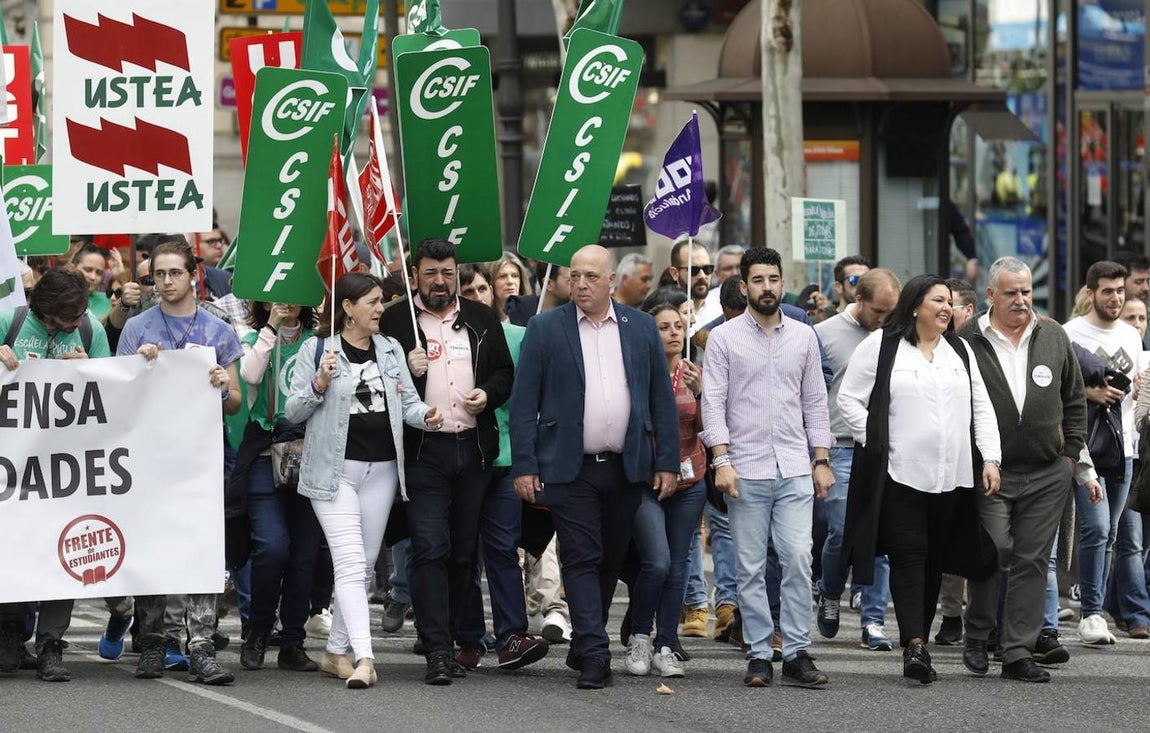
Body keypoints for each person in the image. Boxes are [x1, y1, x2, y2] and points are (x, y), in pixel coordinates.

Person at [510, 244, 679, 690]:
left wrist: (666, 462)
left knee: (610, 558)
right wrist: (525, 465)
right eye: (575, 276)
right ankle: (595, 653)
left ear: (610, 281)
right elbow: (524, 402)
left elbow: (660, 399)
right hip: (569, 467)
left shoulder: (640, 327)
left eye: (590, 276)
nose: (581, 284)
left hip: (625, 467)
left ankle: (587, 639)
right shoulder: (546, 329)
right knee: (581, 556)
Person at [839, 274, 1001, 684]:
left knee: (933, 561)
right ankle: (914, 645)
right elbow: (849, 400)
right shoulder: (882, 345)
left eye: (949, 302)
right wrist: (878, 442)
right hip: (900, 474)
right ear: (914, 306)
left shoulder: (960, 350)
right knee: (909, 554)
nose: (947, 308)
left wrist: (990, 459)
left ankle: (920, 639)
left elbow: (981, 407)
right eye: (937, 301)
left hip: (952, 477)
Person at [285, 272, 438, 689]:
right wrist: (319, 382)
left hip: (382, 471)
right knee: (351, 564)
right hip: (334, 473)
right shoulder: (317, 349)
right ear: (348, 308)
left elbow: (407, 404)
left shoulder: (390, 348)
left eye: (380, 301)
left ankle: (334, 653)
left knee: (364, 566)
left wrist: (426, 415)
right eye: (372, 302)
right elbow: (292, 411)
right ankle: (365, 659)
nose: (380, 308)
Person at [380, 239, 514, 685]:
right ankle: (436, 648)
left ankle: (456, 639)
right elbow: (373, 377)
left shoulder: (480, 317)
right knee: (429, 547)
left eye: (447, 273)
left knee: (463, 553)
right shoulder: (396, 321)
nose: (440, 281)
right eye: (431, 273)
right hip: (424, 451)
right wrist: (406, 368)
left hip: (472, 448)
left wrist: (487, 394)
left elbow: (504, 373)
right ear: (414, 276)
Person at [701, 247, 834, 689]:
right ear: (744, 286)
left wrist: (821, 459)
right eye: (758, 280)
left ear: (782, 282)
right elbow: (713, 403)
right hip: (744, 469)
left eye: (774, 279)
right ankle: (759, 652)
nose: (767, 287)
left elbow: (815, 401)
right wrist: (721, 461)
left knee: (798, 557)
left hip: (794, 465)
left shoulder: (803, 336)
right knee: (751, 566)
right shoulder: (723, 339)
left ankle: (795, 651)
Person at [117, 241, 244, 685]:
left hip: (200, 459)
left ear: (193, 275)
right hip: (149, 458)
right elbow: (119, 397)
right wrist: (139, 367)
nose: (166, 281)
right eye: (158, 274)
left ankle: (201, 646)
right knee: (151, 546)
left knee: (201, 548)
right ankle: (152, 642)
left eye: (174, 272)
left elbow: (235, 402)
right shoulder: (137, 328)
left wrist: (223, 386)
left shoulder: (217, 329)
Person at [958, 257, 1088, 683]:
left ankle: (1017, 652)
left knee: (1032, 560)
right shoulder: (967, 339)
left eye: (1027, 291)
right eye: (1011, 292)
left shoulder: (1053, 335)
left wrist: (1071, 455)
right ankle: (979, 635)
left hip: (1047, 471)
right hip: (990, 471)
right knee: (993, 550)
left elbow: (1074, 398)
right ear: (990, 295)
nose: (1021, 300)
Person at [0, 269, 112, 682]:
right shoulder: (9, 321)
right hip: (15, 468)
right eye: (68, 318)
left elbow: (118, 391)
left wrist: (91, 371)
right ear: (43, 312)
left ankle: (51, 644)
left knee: (66, 549)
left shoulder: (90, 329)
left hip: (69, 468)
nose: (77, 322)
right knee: (15, 547)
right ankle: (10, 635)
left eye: (80, 313)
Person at [455, 264, 551, 670]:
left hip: (507, 457)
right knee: (462, 551)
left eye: (482, 288)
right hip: (463, 457)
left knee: (503, 547)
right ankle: (468, 638)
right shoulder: (448, 340)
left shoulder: (519, 337)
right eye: (469, 291)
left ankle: (511, 635)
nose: (477, 296)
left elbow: (532, 400)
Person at [230, 301, 325, 674]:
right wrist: (271, 327)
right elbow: (250, 376)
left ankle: (292, 642)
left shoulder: (319, 342)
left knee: (305, 553)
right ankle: (257, 630)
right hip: (265, 451)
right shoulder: (254, 339)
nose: (286, 301)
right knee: (272, 546)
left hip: (310, 452)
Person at [813, 269, 901, 652]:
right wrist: (817, 453)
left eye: (891, 312)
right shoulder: (823, 334)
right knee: (841, 530)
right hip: (840, 445)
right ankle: (831, 591)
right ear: (858, 300)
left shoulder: (900, 336)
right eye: (879, 311)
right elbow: (813, 393)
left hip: (885, 446)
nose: (885, 319)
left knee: (881, 534)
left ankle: (873, 620)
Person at [1064, 261, 1150, 643]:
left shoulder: (1131, 335)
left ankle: (1102, 609)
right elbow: (1058, 388)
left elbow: (1132, 393)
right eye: (1107, 291)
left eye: (1119, 291)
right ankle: (1092, 613)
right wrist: (1088, 392)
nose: (1115, 298)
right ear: (1090, 293)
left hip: (1124, 448)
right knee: (1096, 528)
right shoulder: (1070, 333)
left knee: (1112, 534)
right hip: (1085, 447)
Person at [622, 302, 708, 679]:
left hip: (691, 480)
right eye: (663, 327)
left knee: (678, 565)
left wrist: (702, 394)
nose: (674, 332)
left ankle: (666, 645)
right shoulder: (636, 373)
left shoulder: (696, 373)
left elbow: (711, 428)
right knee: (656, 561)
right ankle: (640, 636)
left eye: (678, 326)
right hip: (647, 481)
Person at [935, 277, 981, 645]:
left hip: (987, 452)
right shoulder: (937, 344)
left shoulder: (982, 341)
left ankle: (985, 619)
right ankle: (951, 613)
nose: (944, 310)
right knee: (949, 535)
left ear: (969, 309)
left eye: (950, 304)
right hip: (950, 453)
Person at [821, 255, 871, 321]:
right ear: (838, 287)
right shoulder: (822, 322)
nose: (862, 285)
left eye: (867, 279)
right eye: (854, 280)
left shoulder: (879, 321)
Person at [490, 252, 532, 322]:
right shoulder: (483, 319)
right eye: (502, 276)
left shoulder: (534, 315)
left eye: (515, 276)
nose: (510, 281)